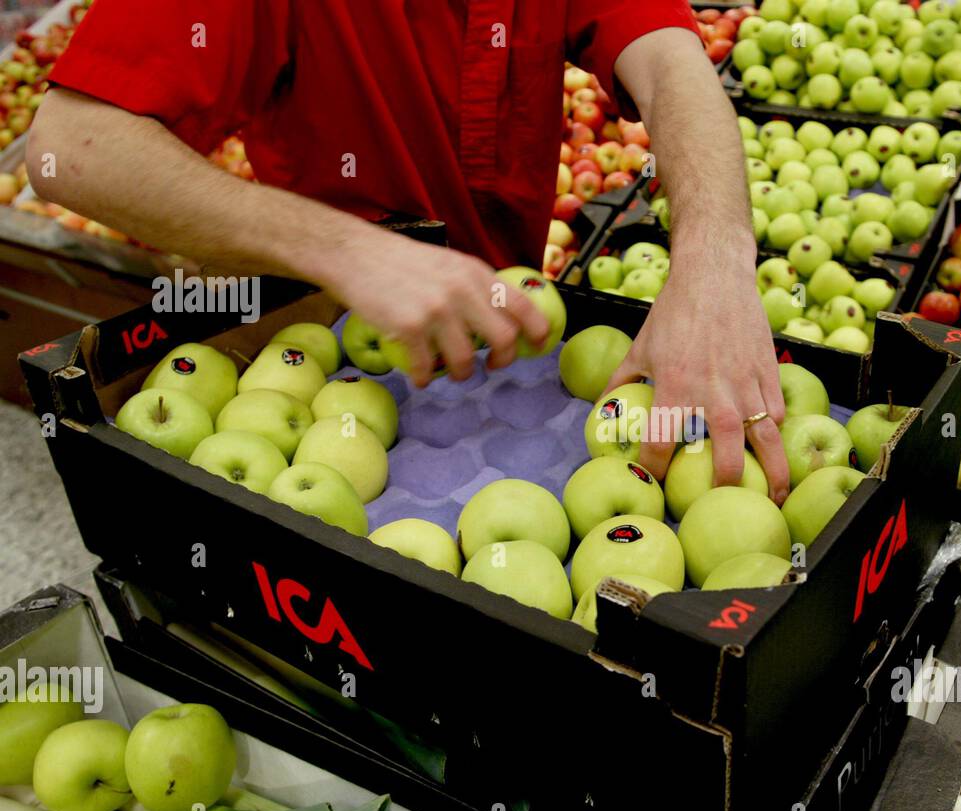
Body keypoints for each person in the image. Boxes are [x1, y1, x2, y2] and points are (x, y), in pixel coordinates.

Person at [28, 0, 790, 503]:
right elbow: (71, 149)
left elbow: (670, 63)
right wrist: (346, 248)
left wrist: (716, 258)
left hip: (512, 341)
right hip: (332, 349)